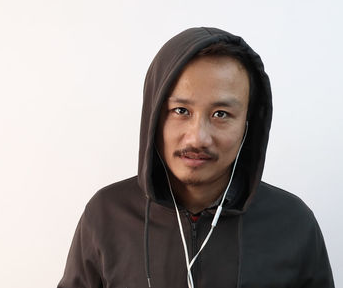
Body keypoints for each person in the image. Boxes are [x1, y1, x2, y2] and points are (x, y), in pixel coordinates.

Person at [57, 27, 334, 288]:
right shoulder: (106, 214)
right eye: (180, 110)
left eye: (221, 114)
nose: (197, 138)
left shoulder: (292, 222)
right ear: (154, 115)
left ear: (248, 125)